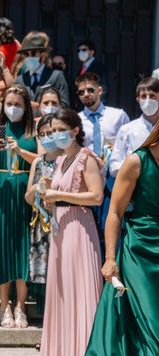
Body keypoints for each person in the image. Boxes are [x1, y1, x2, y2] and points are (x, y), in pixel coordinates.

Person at [51, 122, 159, 356]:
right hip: (140, 251)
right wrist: (110, 258)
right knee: (152, 332)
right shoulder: (137, 161)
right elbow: (114, 213)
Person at [38, 107, 104, 356]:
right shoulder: (60, 160)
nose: (56, 135)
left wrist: (58, 193)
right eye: (52, 131)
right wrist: (46, 195)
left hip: (79, 225)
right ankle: (66, 355)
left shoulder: (85, 158)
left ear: (75, 129)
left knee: (80, 291)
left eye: (60, 129)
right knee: (63, 292)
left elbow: (97, 196)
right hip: (60, 226)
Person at [0, 85, 40, 328]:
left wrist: (20, 150)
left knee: (23, 248)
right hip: (0, 191)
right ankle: (4, 305)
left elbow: (43, 160)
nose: (13, 108)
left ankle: (21, 305)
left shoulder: (32, 130)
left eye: (18, 104)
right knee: (3, 247)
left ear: (26, 108)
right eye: (9, 104)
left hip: (25, 191)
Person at [76, 72, 130, 248]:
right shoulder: (77, 119)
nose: (86, 94)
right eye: (81, 92)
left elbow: (127, 146)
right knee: (90, 226)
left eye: (90, 90)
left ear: (100, 90)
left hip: (111, 176)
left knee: (112, 220)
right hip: (88, 177)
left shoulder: (118, 115)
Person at [25, 114, 62, 284]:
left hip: (61, 218)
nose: (46, 138)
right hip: (41, 220)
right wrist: (36, 187)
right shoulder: (38, 162)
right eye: (42, 134)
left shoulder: (66, 158)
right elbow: (28, 198)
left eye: (50, 133)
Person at [110, 77, 159, 177]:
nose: (148, 100)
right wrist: (135, 170)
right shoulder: (127, 130)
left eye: (152, 96)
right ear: (137, 99)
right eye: (144, 96)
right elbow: (114, 165)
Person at [14, 33, 70, 110]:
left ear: (43, 55)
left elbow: (64, 104)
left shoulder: (56, 76)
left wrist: (40, 106)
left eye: (33, 54)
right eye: (26, 54)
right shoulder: (20, 80)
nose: (29, 57)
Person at [75, 39, 109, 104]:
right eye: (78, 51)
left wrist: (101, 105)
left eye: (84, 50)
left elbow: (104, 87)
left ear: (92, 52)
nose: (81, 52)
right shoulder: (81, 69)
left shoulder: (99, 67)